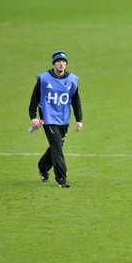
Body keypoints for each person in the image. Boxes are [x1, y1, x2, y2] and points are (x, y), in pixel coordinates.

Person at [28, 51, 83, 188]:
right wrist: (33, 117)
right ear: (54, 63)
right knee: (58, 148)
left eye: (63, 61)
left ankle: (43, 166)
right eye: (58, 61)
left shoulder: (72, 80)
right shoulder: (44, 79)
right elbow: (34, 100)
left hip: (64, 120)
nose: (61, 63)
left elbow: (75, 101)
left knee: (56, 146)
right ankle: (61, 179)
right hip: (49, 119)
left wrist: (79, 120)